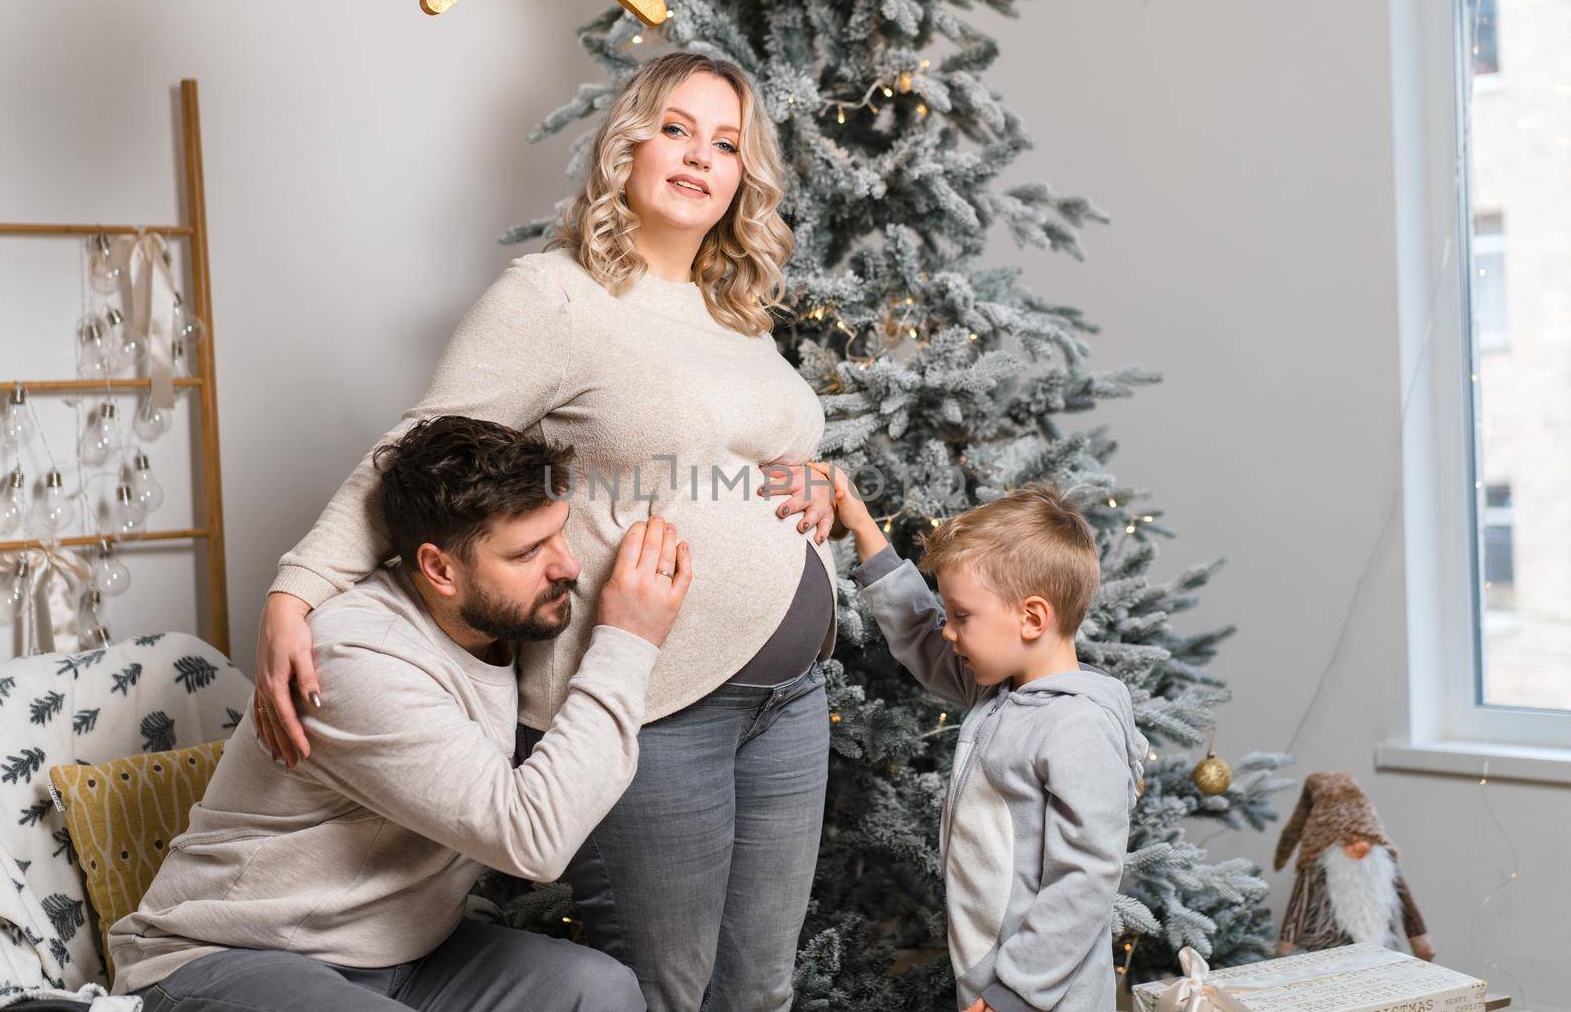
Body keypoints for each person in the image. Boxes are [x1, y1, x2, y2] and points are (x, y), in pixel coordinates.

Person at [249, 51, 846, 1010]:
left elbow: (736, 451)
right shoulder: (553, 299)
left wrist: (817, 483)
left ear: (745, 177)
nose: (701, 156)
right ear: (628, 143)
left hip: (790, 697)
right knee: (666, 992)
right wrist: (295, 587)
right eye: (677, 129)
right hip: (656, 706)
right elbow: (417, 451)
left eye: (727, 143)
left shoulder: (735, 312)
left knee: (760, 992)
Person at [109, 415, 692, 1011]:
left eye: (559, 534)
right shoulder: (355, 660)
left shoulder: (498, 616)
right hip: (231, 955)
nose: (567, 567)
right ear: (439, 569)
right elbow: (533, 838)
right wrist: (628, 641)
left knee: (597, 991)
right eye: (527, 552)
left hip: (405, 957)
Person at [815, 462, 1150, 1012]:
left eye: (962, 616)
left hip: (1044, 995)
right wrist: (863, 526)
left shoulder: (1077, 726)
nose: (948, 630)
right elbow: (919, 633)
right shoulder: (1001, 693)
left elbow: (1085, 877)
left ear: (1033, 617)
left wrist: (1016, 991)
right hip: (990, 975)